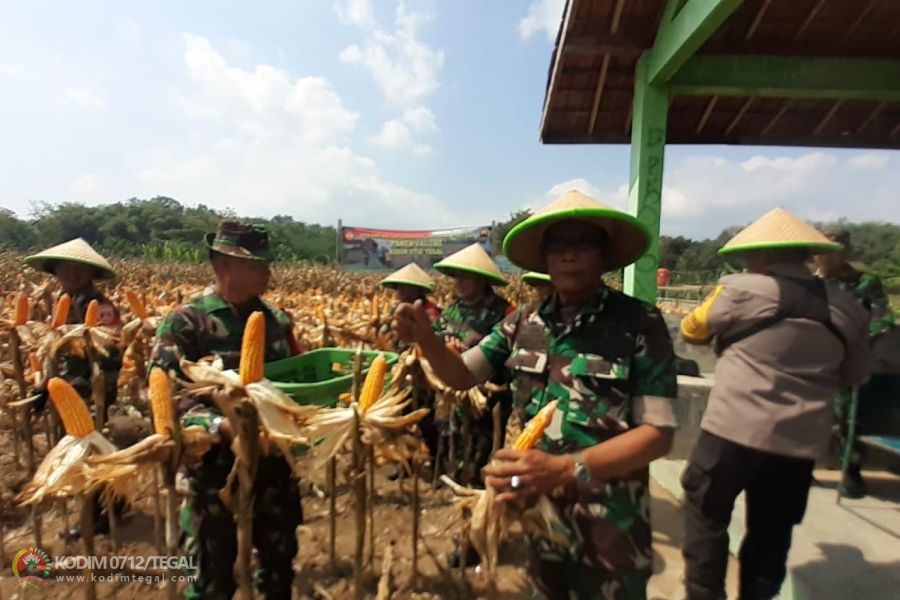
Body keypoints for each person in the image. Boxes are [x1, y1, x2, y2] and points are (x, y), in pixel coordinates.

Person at [395, 190, 678, 598]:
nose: (569, 256)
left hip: (609, 524)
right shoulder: (523, 321)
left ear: (604, 254)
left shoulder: (640, 323)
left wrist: (566, 470)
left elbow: (659, 434)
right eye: (559, 246)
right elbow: (460, 376)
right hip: (537, 514)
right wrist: (428, 341)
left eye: (583, 245)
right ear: (545, 258)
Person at [679, 208, 870, 600]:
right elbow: (853, 375)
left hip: (730, 432)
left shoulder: (741, 290)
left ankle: (703, 593)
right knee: (771, 533)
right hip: (798, 444)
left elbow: (691, 330)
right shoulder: (847, 306)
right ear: (805, 253)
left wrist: (726, 291)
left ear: (760, 255)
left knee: (706, 514)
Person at [149, 221, 301, 600]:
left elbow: (294, 380)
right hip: (211, 465)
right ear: (224, 265)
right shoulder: (186, 321)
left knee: (278, 569)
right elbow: (167, 394)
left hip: (271, 464)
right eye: (258, 264)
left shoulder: (278, 321)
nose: (268, 271)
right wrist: (220, 425)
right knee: (210, 575)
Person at [24, 238, 125, 538]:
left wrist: (93, 389)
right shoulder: (63, 302)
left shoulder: (100, 305)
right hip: (69, 390)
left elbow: (111, 351)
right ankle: (109, 507)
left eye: (77, 269)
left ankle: (97, 515)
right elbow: (56, 352)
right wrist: (45, 386)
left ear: (90, 274)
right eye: (63, 268)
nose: (69, 274)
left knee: (91, 451)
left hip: (93, 390)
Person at [814, 229, 896, 498]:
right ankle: (800, 467)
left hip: (847, 359)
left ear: (845, 253)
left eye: (831, 252)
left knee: (847, 416)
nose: (824, 258)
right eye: (820, 252)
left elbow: (882, 317)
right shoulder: (807, 283)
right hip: (810, 359)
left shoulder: (865, 282)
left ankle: (851, 469)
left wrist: (857, 338)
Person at [431, 243, 514, 484]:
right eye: (456, 278)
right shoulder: (452, 310)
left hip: (487, 393)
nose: (458, 283)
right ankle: (454, 476)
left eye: (465, 278)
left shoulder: (504, 311)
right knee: (450, 432)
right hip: (453, 390)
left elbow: (511, 350)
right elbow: (436, 335)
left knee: (483, 441)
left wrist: (474, 347)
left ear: (481, 280)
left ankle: (479, 485)